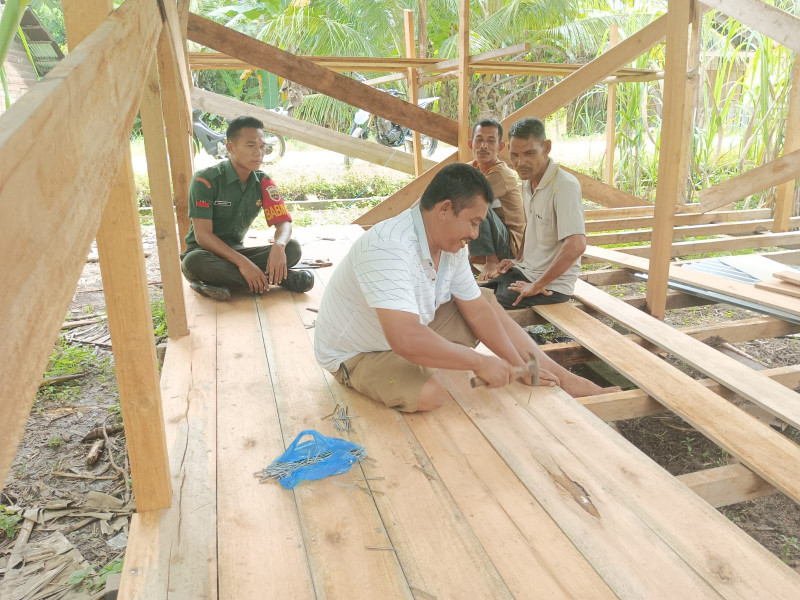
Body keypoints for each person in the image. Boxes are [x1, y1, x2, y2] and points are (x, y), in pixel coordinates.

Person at [314, 163, 617, 413]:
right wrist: (480, 362)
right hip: (358, 353)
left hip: (404, 329)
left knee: (485, 303)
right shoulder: (388, 247)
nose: (474, 234)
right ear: (445, 209)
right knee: (431, 395)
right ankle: (392, 368)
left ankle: (559, 376)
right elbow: (404, 338)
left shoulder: (450, 245)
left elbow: (478, 312)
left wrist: (518, 365)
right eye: (473, 223)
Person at [180, 116, 313, 301]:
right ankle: (279, 279)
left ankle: (217, 284)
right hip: (204, 254)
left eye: (262, 146)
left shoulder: (263, 182)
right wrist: (244, 264)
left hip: (237, 252)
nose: (259, 153)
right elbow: (203, 237)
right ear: (230, 147)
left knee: (293, 249)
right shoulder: (205, 181)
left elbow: (284, 223)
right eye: (251, 146)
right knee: (194, 263)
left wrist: (279, 245)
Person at [484, 117, 586, 309]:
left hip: (550, 287)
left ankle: (530, 340)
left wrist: (537, 285)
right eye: (514, 155)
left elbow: (577, 245)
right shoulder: (527, 182)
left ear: (546, 147)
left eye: (529, 153)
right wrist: (518, 259)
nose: (520, 162)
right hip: (525, 273)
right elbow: (531, 224)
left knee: (481, 309)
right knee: (469, 295)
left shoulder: (564, 187)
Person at [466, 119, 526, 282]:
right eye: (479, 140)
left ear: (500, 147)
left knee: (476, 203)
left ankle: (492, 260)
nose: (483, 146)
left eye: (491, 141)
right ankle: (478, 255)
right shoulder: (473, 167)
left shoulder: (500, 173)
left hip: (512, 247)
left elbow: (469, 199)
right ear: (471, 144)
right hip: (497, 237)